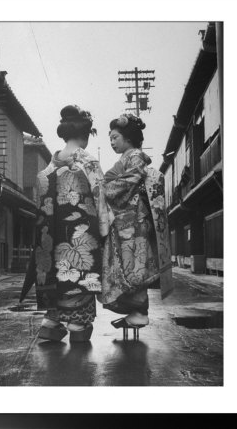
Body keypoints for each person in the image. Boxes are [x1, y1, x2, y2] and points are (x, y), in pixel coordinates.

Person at [21, 105, 111, 342]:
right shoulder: (89, 163)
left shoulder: (48, 169)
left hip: (51, 239)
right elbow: (102, 201)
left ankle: (51, 323)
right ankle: (77, 326)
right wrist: (105, 231)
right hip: (81, 236)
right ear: (85, 134)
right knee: (80, 276)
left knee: (54, 278)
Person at [100, 114, 173, 339]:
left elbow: (129, 181)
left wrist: (104, 188)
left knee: (133, 266)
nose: (111, 142)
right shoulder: (128, 157)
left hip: (133, 221)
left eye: (115, 137)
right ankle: (135, 311)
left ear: (128, 138)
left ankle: (139, 311)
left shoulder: (135, 157)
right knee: (128, 266)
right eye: (110, 138)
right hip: (126, 222)